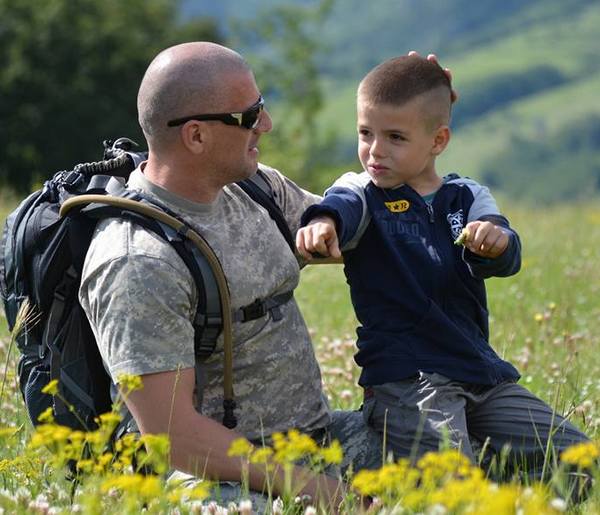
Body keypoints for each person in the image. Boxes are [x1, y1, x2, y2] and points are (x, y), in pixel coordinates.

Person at [77, 41, 385, 511]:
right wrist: (318, 492)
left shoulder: (258, 189)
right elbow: (172, 436)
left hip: (315, 442)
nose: (266, 124)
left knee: (457, 449)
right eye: (250, 115)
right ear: (196, 136)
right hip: (211, 476)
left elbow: (376, 234)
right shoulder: (137, 260)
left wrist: (414, 91)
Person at [296, 55, 590, 482]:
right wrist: (321, 223)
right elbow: (337, 207)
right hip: (409, 381)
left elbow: (507, 255)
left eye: (395, 137)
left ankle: (495, 469)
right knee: (455, 485)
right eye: (365, 133)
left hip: (480, 375)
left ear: (438, 141)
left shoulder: (467, 196)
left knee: (581, 461)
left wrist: (497, 241)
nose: (375, 151)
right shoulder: (361, 191)